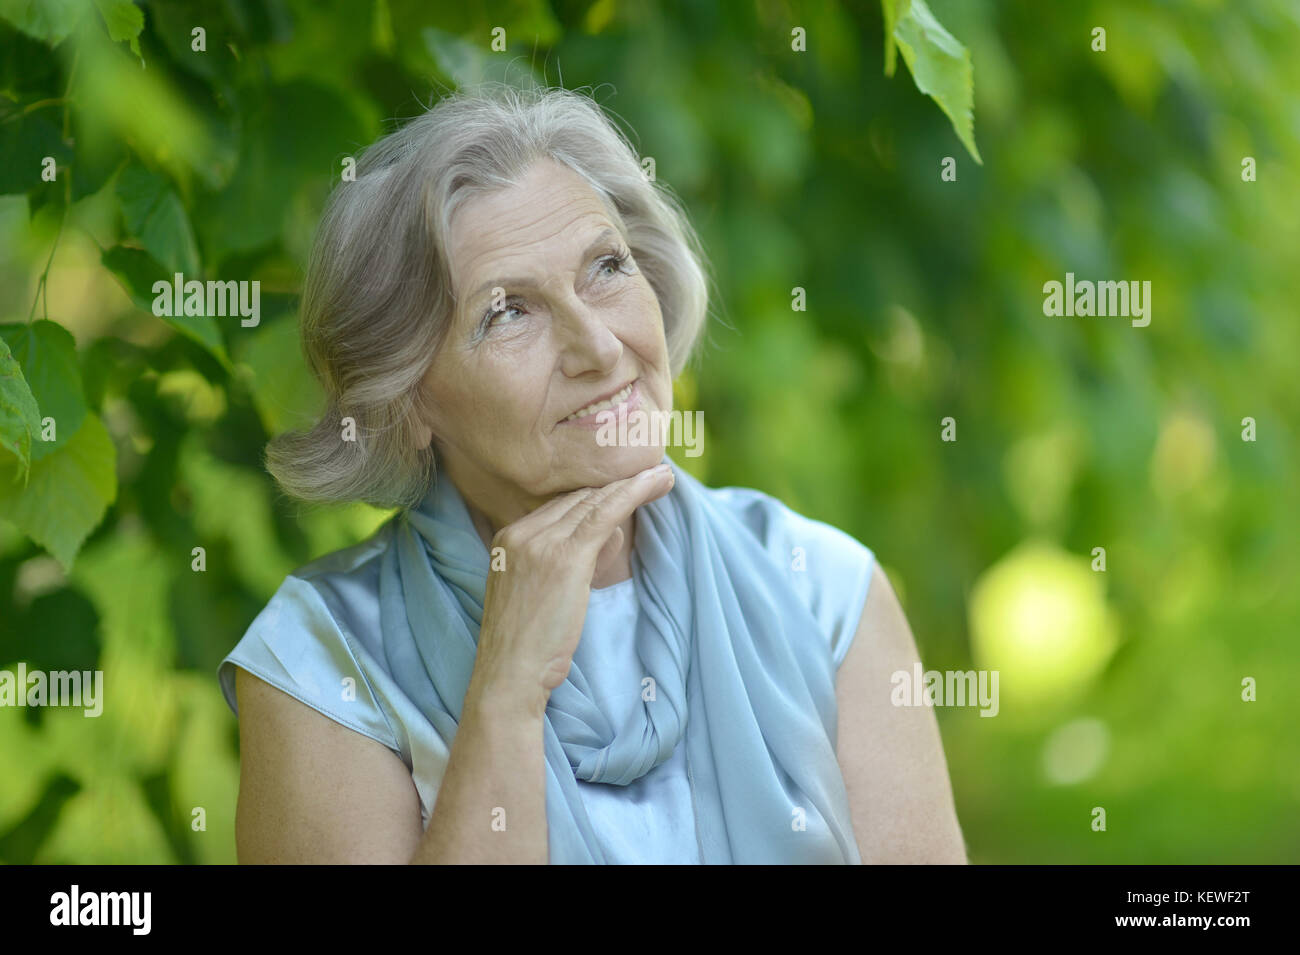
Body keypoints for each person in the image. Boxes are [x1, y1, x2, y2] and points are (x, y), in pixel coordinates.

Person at [217, 82, 967, 864]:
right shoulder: (320, 661)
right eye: (508, 312)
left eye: (606, 267)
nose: (599, 347)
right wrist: (507, 688)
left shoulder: (826, 591)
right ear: (407, 402)